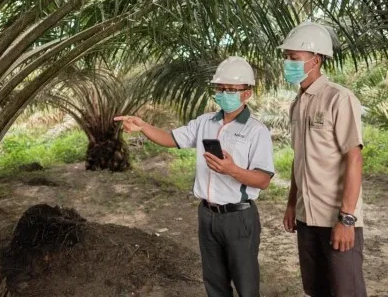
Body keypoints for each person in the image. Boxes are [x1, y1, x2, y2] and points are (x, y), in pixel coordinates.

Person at [115, 56, 274, 297]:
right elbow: (171, 138)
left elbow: (263, 179)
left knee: (246, 285)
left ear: (247, 94)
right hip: (207, 214)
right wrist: (143, 126)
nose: (224, 93)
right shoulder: (204, 122)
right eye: (220, 88)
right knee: (214, 282)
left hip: (238, 218)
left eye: (232, 89)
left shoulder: (256, 131)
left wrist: (232, 169)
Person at [279, 22, 367, 297]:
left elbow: (354, 159)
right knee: (316, 290)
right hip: (307, 218)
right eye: (286, 58)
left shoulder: (338, 99)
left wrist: (347, 219)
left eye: (294, 58)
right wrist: (292, 204)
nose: (287, 63)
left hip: (336, 218)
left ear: (315, 60)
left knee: (345, 291)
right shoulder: (298, 103)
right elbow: (300, 160)